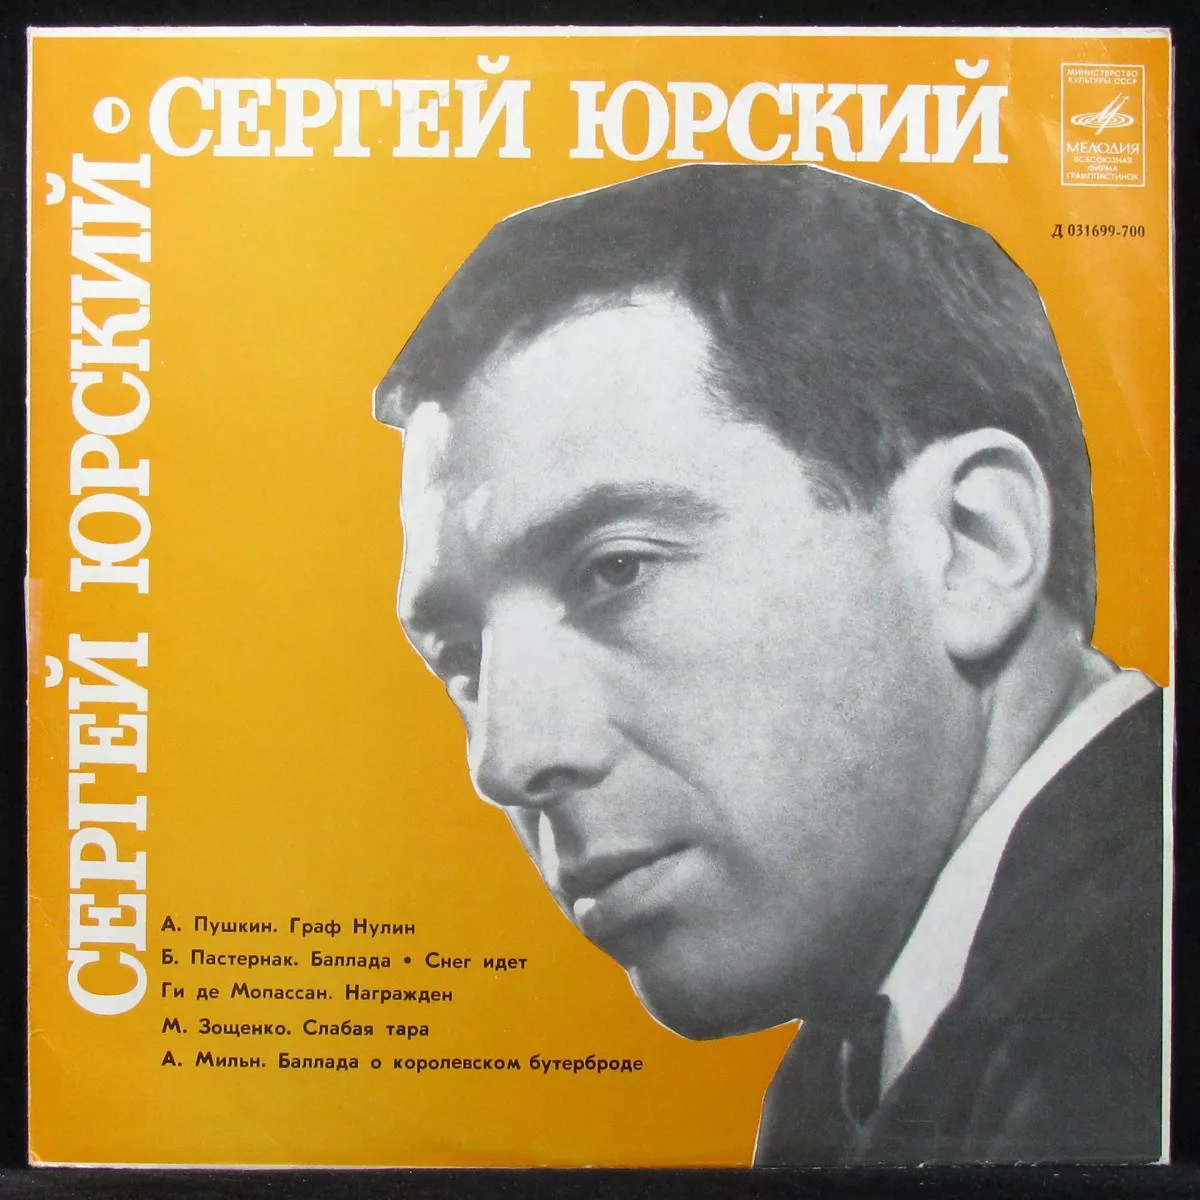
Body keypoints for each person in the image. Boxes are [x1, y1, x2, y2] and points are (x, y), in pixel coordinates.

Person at [372, 164, 1165, 1165]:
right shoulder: (869, 1067)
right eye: (461, 655)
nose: (507, 759)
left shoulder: (1138, 1004)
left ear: (972, 543)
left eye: (616, 569)